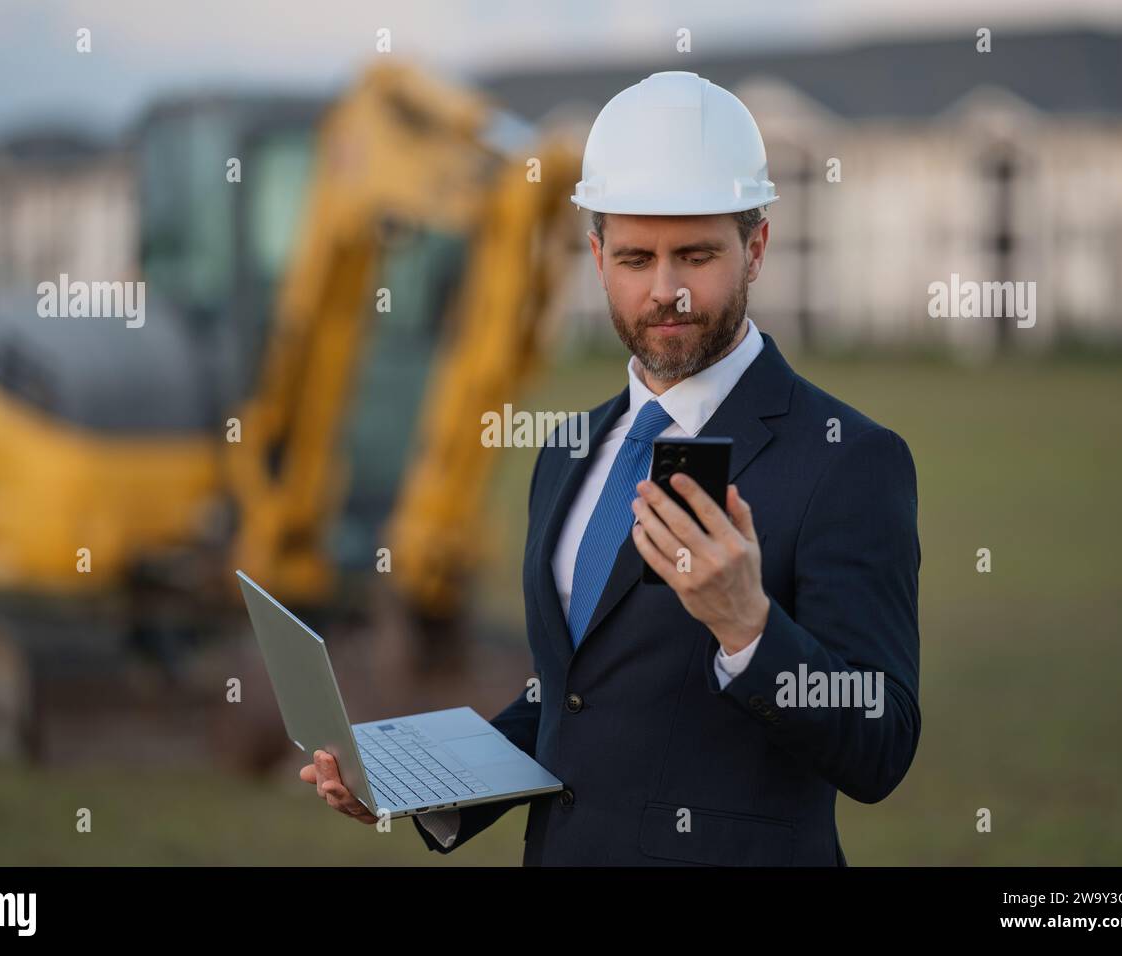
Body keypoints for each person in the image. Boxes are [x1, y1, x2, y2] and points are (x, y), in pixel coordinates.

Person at [301, 71, 920, 865]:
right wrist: (417, 783)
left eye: (696, 255)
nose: (667, 292)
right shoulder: (568, 450)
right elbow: (573, 698)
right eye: (636, 257)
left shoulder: (849, 460)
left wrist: (747, 626)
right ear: (596, 257)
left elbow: (882, 743)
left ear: (756, 248)